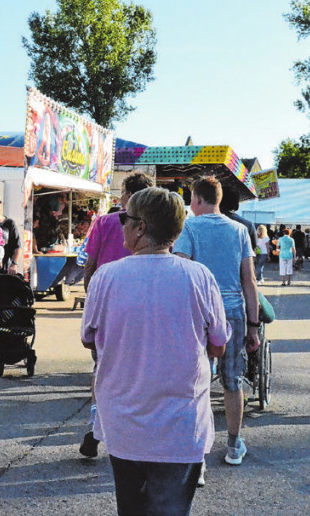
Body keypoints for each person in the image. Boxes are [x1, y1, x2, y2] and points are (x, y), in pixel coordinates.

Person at [83, 187, 230, 515]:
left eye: (125, 218)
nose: (120, 225)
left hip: (124, 424)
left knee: (130, 508)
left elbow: (88, 338)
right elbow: (218, 345)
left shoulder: (106, 277)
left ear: (141, 227)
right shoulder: (198, 277)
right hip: (180, 426)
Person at [173, 176, 259, 467]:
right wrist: (253, 325)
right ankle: (234, 444)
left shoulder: (188, 227)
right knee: (232, 382)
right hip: (232, 311)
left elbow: (181, 270)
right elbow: (249, 280)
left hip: (197, 313)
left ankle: (195, 451)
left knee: (195, 382)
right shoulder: (239, 230)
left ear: (196, 199)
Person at [78, 170, 154, 459]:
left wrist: (91, 297)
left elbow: (90, 264)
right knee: (139, 369)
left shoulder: (104, 222)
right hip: (142, 306)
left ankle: (95, 424)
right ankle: (132, 432)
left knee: (103, 367)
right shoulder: (150, 226)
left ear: (125, 194)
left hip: (108, 302)